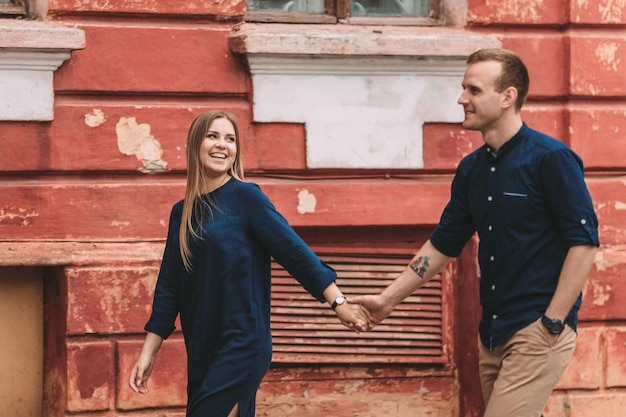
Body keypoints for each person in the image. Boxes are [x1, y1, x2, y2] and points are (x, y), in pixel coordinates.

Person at [351, 48, 599, 417]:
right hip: (493, 333)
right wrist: (388, 299)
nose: (461, 98)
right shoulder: (471, 170)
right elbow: (443, 243)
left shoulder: (551, 159)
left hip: (536, 328)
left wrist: (552, 321)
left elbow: (584, 244)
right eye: (463, 89)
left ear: (507, 96)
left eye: (474, 90)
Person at [129, 110, 371, 417]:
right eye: (213, 136)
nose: (222, 145)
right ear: (195, 144)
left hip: (243, 342)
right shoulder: (182, 213)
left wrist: (338, 302)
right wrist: (148, 352)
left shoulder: (247, 198)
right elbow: (169, 287)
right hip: (202, 346)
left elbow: (295, 253)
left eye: (230, 139)